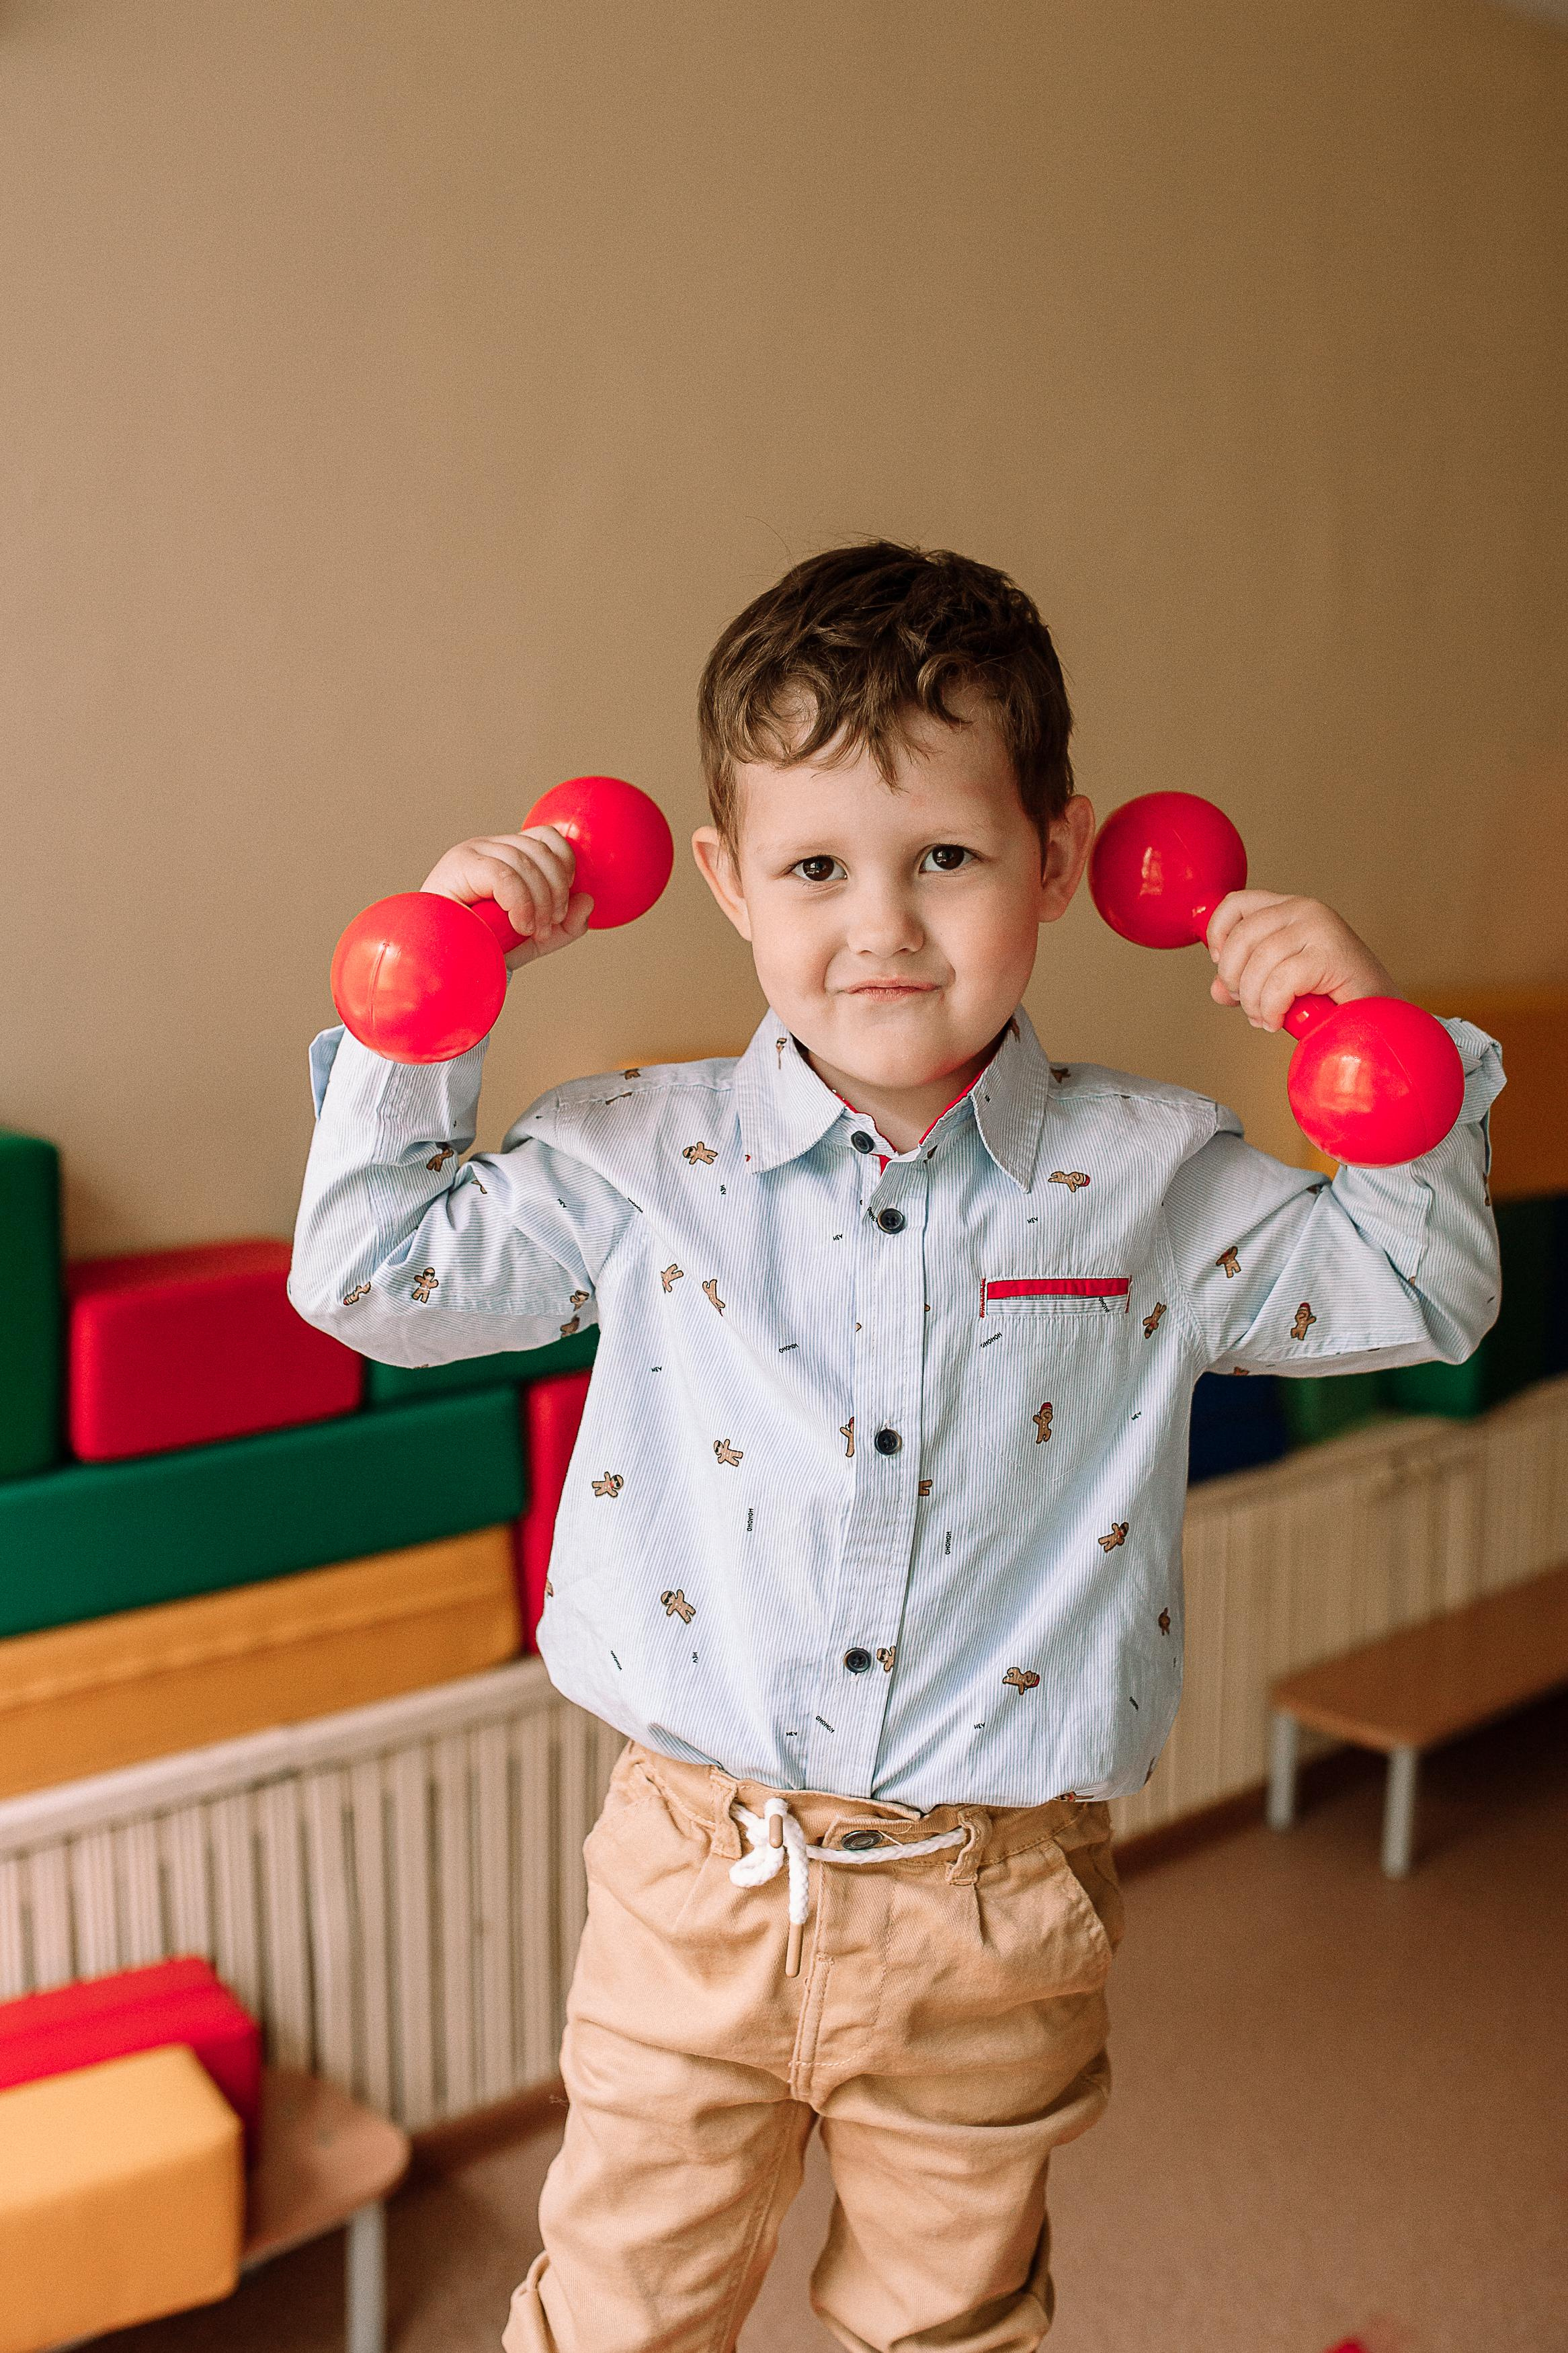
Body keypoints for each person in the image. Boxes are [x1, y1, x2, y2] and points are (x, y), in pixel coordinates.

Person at [290, 541, 1502, 2353]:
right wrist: (445, 982)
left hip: (993, 1904)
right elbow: (371, 1273)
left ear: (1062, 861)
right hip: (695, 1879)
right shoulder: (639, 1158)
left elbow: (1431, 1289)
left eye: (946, 854)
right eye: (815, 867)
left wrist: (1359, 1021)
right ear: (722, 881)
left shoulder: (1154, 1177)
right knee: (614, 2316)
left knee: (947, 2325)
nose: (882, 925)